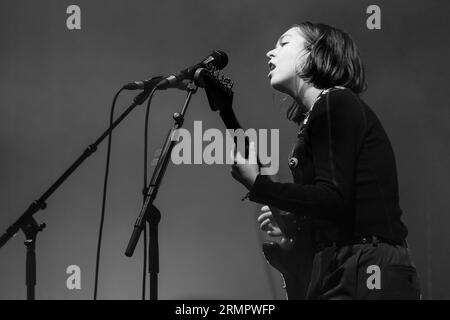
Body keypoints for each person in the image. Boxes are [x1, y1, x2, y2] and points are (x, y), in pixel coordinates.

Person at [230, 22, 421, 300]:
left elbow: (332, 197)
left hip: (364, 266)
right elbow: (336, 206)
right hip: (349, 264)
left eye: (284, 44)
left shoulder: (335, 103)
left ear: (314, 54)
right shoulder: (325, 110)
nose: (270, 54)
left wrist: (259, 185)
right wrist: (293, 223)